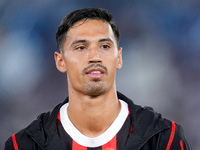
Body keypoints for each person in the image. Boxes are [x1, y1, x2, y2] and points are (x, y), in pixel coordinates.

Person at [4, 8, 191, 150]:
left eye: (104, 46)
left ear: (119, 58)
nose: (94, 56)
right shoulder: (25, 143)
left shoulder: (164, 139)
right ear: (60, 61)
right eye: (80, 48)